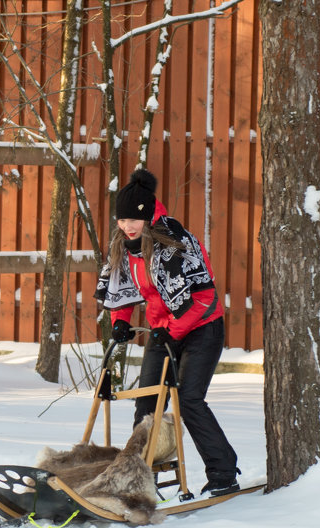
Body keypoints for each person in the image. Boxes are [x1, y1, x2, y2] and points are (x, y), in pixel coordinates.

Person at [95, 168, 240, 498]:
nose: (127, 226)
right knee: (146, 404)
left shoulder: (174, 241)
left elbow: (204, 297)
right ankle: (137, 477)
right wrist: (121, 319)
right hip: (164, 331)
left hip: (202, 328)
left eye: (133, 220)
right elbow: (124, 287)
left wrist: (172, 331)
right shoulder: (123, 245)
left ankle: (223, 471)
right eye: (122, 220)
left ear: (147, 216)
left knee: (188, 399)